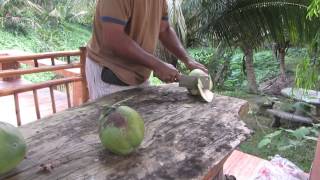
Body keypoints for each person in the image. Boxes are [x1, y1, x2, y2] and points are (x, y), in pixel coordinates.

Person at [85, 0, 207, 100]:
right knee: (115, 126)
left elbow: (164, 29)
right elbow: (114, 39)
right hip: (111, 74)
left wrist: (187, 60)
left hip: (139, 74)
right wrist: (157, 65)